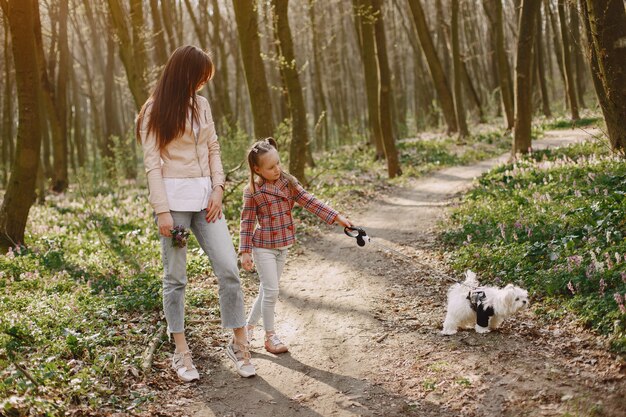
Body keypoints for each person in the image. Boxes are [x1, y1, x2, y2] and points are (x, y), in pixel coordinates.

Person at [136, 45, 254, 381]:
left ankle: (239, 342)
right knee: (175, 279)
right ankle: (181, 352)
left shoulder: (201, 105)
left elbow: (213, 147)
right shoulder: (153, 111)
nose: (203, 84)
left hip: (207, 202)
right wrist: (162, 211)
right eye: (200, 78)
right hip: (174, 206)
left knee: (229, 268)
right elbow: (152, 164)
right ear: (185, 74)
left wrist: (218, 187)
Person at [239, 138, 352, 354]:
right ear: (257, 169)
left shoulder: (287, 182)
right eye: (270, 167)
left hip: (283, 245)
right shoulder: (253, 191)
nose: (277, 169)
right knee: (272, 291)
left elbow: (309, 200)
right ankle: (270, 337)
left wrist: (337, 217)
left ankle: (247, 329)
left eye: (278, 163)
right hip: (263, 246)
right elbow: (247, 221)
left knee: (266, 291)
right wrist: (244, 251)